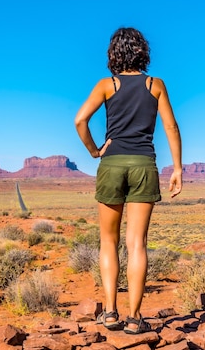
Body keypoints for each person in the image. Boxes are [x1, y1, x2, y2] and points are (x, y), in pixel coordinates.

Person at [75, 27, 182, 334]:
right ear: (142, 51)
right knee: (137, 244)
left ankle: (109, 312)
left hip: (112, 163)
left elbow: (80, 120)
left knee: (108, 241)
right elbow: (171, 128)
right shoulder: (155, 84)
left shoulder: (107, 85)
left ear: (114, 53)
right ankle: (135, 318)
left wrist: (95, 150)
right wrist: (177, 168)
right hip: (143, 164)